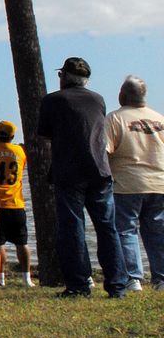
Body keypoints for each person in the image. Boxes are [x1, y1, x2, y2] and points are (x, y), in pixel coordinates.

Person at [38, 57, 128, 298]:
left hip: (69, 171)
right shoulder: (97, 99)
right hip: (100, 169)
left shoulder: (52, 100)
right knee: (107, 227)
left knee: (72, 228)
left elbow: (45, 135)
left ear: (64, 77)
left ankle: (79, 284)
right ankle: (118, 285)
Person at [106, 75, 164, 293]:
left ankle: (133, 278)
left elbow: (105, 150)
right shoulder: (159, 118)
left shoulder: (115, 118)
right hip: (159, 183)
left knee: (126, 230)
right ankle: (161, 279)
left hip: (128, 183)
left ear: (123, 94)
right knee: (157, 232)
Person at [0, 120, 34, 287]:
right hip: (17, 203)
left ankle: (1, 277)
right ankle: (27, 278)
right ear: (12, 136)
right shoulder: (19, 151)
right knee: (22, 242)